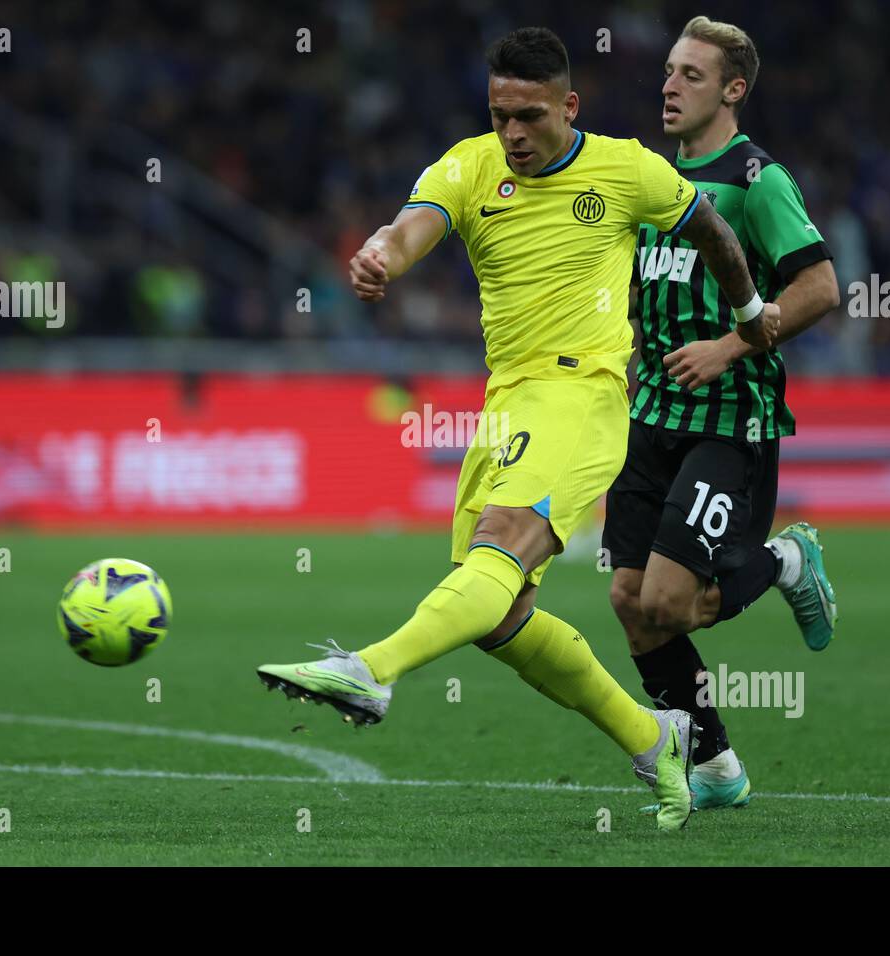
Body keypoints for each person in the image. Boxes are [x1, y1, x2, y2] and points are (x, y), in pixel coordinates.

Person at [258, 26, 778, 832]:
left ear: (568, 106)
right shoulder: (469, 166)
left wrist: (747, 316)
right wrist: (379, 257)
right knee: (497, 616)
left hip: (583, 399)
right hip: (504, 410)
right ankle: (654, 740)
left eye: (530, 116)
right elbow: (409, 228)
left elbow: (712, 229)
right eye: (501, 115)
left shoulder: (627, 169)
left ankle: (370, 669)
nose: (514, 134)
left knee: (501, 545)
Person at [604, 15, 841, 813]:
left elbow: (818, 288)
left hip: (728, 419)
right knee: (631, 603)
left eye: (691, 76)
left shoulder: (757, 180)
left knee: (673, 602)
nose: (670, 86)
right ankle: (715, 769)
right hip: (651, 414)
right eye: (669, 71)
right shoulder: (652, 183)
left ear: (733, 91)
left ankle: (784, 562)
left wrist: (731, 347)